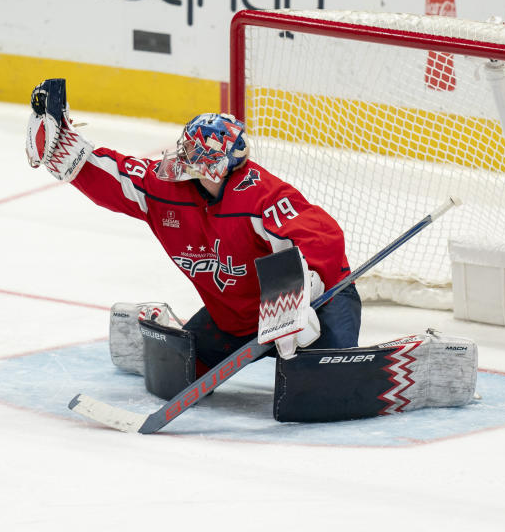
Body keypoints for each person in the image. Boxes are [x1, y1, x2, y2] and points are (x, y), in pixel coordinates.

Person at [25, 79, 362, 373]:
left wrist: (301, 297)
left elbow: (322, 237)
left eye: (190, 150)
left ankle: (330, 362)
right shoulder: (165, 189)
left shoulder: (262, 196)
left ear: (214, 163)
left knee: (317, 383)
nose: (180, 156)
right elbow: (118, 177)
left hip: (319, 304)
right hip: (237, 317)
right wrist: (66, 152)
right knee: (178, 371)